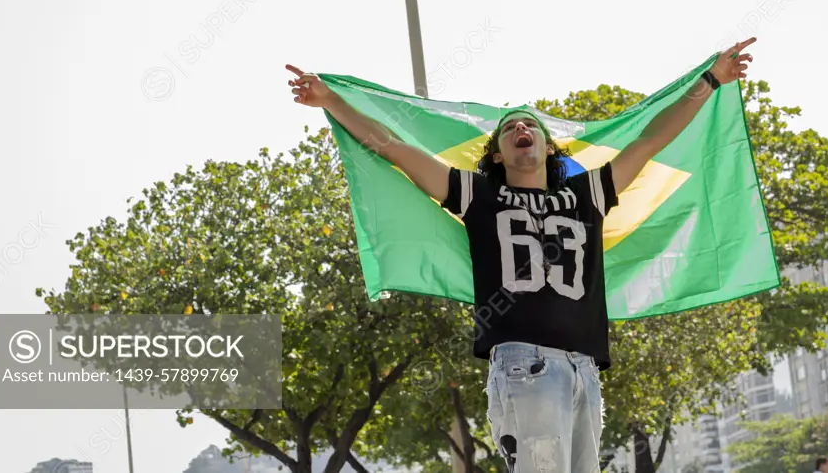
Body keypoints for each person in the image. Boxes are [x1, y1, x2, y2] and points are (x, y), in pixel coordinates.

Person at [286, 38, 755, 473]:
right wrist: (330, 101)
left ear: (550, 148)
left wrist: (710, 81)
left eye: (531, 124)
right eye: (510, 128)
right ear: (496, 155)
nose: (522, 128)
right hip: (523, 363)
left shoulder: (587, 191)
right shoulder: (477, 193)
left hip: (584, 368)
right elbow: (392, 148)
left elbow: (651, 140)